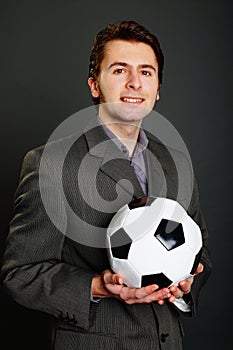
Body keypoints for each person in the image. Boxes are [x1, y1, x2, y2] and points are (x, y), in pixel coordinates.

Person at [1, 20, 211, 349]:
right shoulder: (51, 164)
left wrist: (186, 285)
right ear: (94, 85)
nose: (133, 83)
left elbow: (200, 250)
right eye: (118, 70)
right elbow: (21, 275)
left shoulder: (176, 163)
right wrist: (98, 286)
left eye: (145, 72)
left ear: (157, 88)